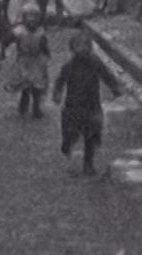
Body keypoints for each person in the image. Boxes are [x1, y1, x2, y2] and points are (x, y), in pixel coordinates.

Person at [52, 31, 123, 175]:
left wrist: (114, 87)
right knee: (71, 132)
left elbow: (106, 75)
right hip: (73, 106)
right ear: (72, 48)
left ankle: (88, 164)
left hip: (92, 106)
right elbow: (60, 81)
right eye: (78, 46)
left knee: (91, 136)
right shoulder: (69, 66)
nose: (83, 49)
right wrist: (57, 93)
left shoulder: (95, 63)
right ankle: (67, 146)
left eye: (86, 45)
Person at [4, 3, 51, 118]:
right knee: (25, 85)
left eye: (35, 17)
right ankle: (23, 105)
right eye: (29, 17)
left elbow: (44, 45)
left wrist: (46, 54)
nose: (32, 21)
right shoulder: (19, 31)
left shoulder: (40, 32)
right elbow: (7, 39)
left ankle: (36, 108)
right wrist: (4, 47)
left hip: (36, 61)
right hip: (24, 60)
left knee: (36, 86)